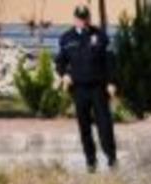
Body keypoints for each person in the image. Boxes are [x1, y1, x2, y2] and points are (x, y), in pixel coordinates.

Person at [55, 5, 118, 173]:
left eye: (86, 18)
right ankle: (91, 161)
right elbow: (60, 61)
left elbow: (109, 61)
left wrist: (111, 82)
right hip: (79, 89)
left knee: (104, 125)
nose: (84, 21)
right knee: (84, 127)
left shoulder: (100, 36)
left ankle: (111, 158)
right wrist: (63, 75)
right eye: (81, 18)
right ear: (75, 19)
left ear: (89, 18)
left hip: (98, 88)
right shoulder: (66, 38)